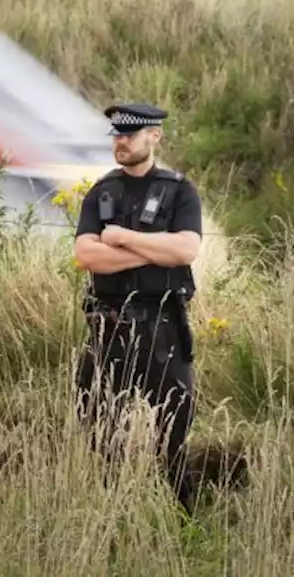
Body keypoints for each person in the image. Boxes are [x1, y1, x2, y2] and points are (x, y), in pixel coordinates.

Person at [72, 102, 203, 514]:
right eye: (116, 135)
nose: (120, 141)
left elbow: (186, 248)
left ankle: (184, 521)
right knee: (101, 430)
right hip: (109, 329)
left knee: (174, 434)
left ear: (155, 136)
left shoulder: (179, 191)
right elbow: (87, 256)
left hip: (163, 327)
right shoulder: (101, 191)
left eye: (129, 134)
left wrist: (124, 239)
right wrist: (154, 252)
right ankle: (113, 518)